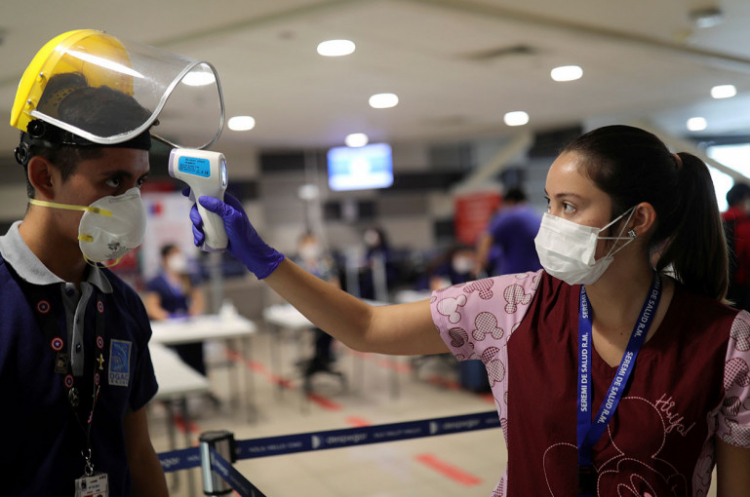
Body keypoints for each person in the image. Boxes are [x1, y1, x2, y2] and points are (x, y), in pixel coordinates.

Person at [187, 124, 750, 496]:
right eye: (549, 203)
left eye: (570, 206)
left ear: (637, 220)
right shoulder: (510, 305)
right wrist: (264, 259)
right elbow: (366, 326)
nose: (550, 223)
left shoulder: (728, 344)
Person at [0, 29, 223, 496]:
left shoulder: (122, 305)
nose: (131, 202)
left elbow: (138, 453)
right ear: (44, 177)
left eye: (138, 182)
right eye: (113, 181)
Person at [292, 233, 344, 389]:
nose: (310, 247)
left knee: (329, 326)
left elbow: (335, 286)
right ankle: (319, 359)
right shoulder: (296, 266)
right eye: (307, 244)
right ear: (300, 247)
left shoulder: (325, 264)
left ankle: (323, 357)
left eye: (313, 243)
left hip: (325, 308)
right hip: (303, 309)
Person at [144, 243, 207, 375]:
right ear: (164, 259)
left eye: (179, 254)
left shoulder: (187, 278)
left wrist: (192, 314)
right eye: (173, 255)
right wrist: (169, 318)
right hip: (167, 328)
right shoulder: (156, 282)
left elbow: (198, 300)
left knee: (195, 356)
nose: (178, 258)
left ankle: (199, 380)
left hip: (187, 327)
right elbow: (152, 307)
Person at [474, 186, 542, 277]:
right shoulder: (535, 215)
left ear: (509, 201)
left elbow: (486, 237)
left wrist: (479, 265)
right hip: (536, 275)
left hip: (514, 276)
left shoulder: (509, 215)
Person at [722, 183, 750, 311]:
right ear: (743, 200)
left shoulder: (717, 220)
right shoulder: (745, 226)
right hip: (737, 291)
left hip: (711, 283)